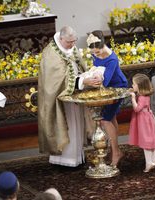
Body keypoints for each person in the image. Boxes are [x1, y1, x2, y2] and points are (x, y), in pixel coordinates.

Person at [38, 26, 101, 167]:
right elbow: (55, 81)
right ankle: (63, 161)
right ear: (61, 39)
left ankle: (77, 158)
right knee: (67, 127)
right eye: (69, 42)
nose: (73, 45)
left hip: (74, 97)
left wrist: (87, 75)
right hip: (60, 101)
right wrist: (82, 81)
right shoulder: (51, 54)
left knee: (77, 126)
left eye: (74, 41)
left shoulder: (71, 48)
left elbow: (77, 68)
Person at [86, 30, 128, 166]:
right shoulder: (95, 51)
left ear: (102, 45)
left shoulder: (111, 59)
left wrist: (93, 79)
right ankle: (115, 149)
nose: (95, 54)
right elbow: (96, 66)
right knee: (111, 118)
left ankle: (116, 152)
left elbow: (106, 80)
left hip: (117, 87)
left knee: (105, 120)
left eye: (97, 52)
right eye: (93, 52)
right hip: (107, 87)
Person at [128, 73, 155, 173]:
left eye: (134, 84)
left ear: (140, 86)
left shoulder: (141, 97)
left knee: (146, 141)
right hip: (147, 118)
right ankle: (154, 159)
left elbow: (137, 109)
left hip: (143, 121)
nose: (132, 86)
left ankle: (149, 163)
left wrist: (133, 98)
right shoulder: (145, 95)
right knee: (150, 139)